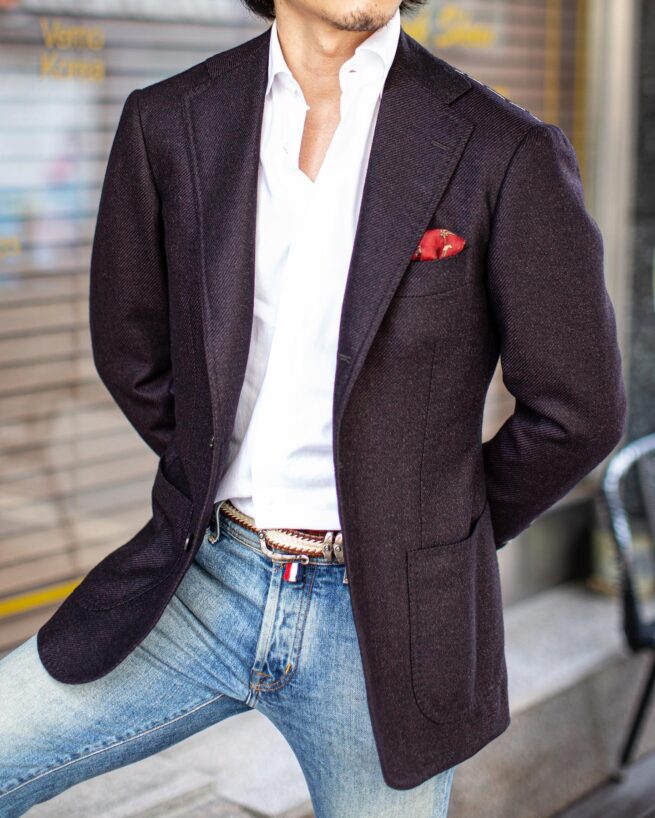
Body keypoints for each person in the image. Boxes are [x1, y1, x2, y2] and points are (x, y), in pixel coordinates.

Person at [0, 0, 627, 813]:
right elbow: (132, 349)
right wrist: (206, 470)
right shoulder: (169, 120)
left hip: (385, 622)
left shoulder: (504, 148)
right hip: (201, 577)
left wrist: (433, 535)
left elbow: (577, 411)